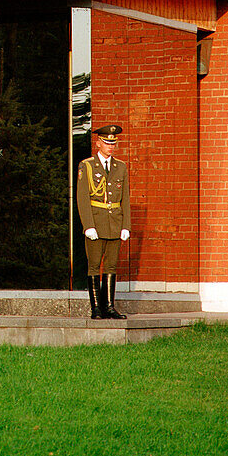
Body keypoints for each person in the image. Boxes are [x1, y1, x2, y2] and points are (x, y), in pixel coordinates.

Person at [77, 124, 130, 320]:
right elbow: (82, 198)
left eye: (113, 143)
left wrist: (126, 226)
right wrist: (88, 225)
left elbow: (125, 198)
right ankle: (96, 308)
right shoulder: (87, 165)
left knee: (111, 266)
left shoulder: (121, 166)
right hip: (96, 222)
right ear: (98, 143)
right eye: (107, 142)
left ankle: (109, 306)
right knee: (93, 265)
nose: (111, 146)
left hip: (115, 222)